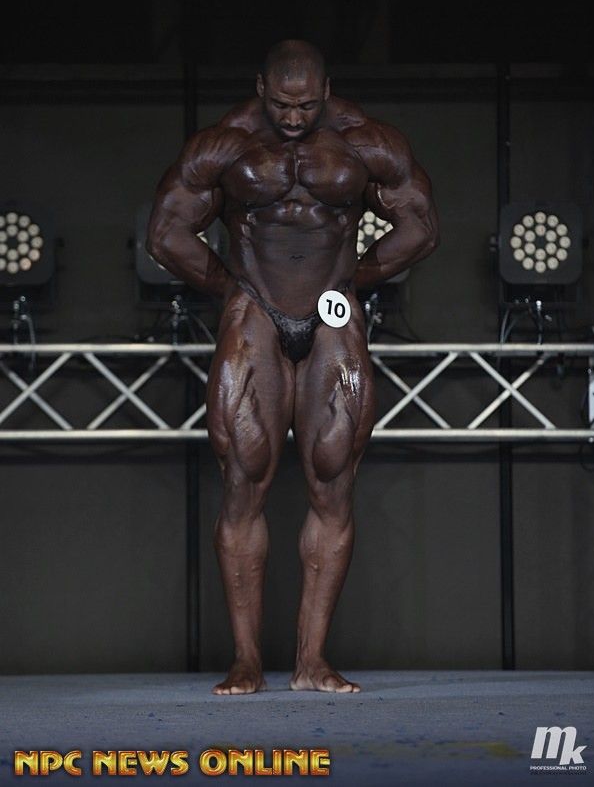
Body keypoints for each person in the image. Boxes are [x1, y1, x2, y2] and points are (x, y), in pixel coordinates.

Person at [147, 40, 439, 695]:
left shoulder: (366, 142)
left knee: (333, 476)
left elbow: (420, 225)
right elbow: (166, 232)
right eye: (281, 104)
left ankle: (312, 662)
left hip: (332, 313)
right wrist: (232, 288)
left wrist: (352, 280)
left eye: (306, 105)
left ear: (326, 91)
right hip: (255, 310)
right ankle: (246, 661)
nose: (293, 117)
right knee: (244, 475)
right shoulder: (225, 144)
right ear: (260, 87)